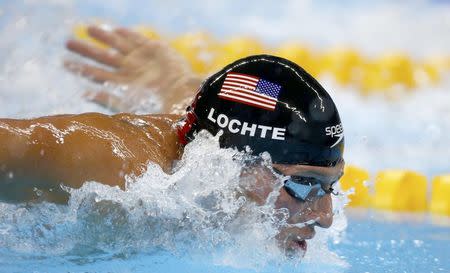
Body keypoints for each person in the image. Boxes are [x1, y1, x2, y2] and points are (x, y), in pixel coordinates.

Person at [0, 26, 344, 254]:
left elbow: (207, 121)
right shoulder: (118, 169)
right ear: (233, 165)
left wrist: (172, 82)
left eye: (330, 186)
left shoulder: (212, 151)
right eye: (303, 184)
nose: (326, 216)